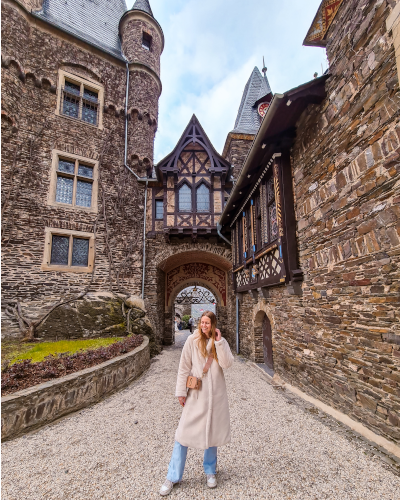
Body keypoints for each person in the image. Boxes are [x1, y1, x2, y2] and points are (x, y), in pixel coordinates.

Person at [160, 311, 234, 496]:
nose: (204, 325)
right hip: (196, 393)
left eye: (207, 322)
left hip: (215, 394)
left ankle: (210, 471)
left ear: (213, 324)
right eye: (202, 322)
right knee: (182, 433)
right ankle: (172, 476)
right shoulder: (191, 341)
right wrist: (180, 392)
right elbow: (184, 366)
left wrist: (219, 342)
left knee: (212, 432)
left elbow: (227, 364)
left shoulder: (219, 343)